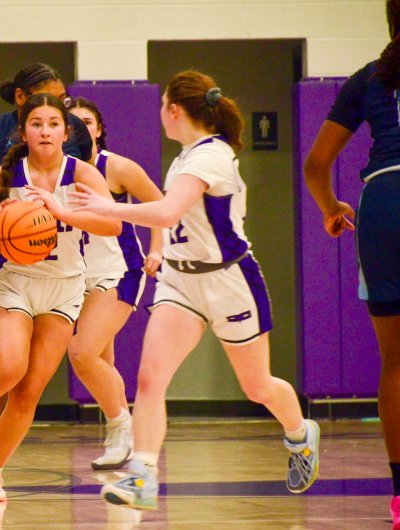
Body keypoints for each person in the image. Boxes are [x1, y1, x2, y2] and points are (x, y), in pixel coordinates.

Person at [70, 70, 321, 510]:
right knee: (150, 378)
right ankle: (143, 476)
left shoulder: (212, 155)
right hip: (181, 281)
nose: (159, 114)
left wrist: (108, 207)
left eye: (161, 106)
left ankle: (301, 433)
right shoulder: (185, 156)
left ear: (174, 110)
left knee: (257, 385)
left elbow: (167, 213)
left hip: (229, 280)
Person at [0, 93, 121, 502]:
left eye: (53, 124)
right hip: (16, 282)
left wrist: (61, 211)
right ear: (23, 132)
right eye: (36, 124)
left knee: (28, 391)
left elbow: (113, 226)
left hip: (65, 287)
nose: (45, 131)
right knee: (7, 369)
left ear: (66, 131)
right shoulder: (6, 175)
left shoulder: (83, 175)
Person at [303, 1, 400, 525]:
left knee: (396, 364)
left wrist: (331, 208)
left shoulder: (369, 77)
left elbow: (316, 164)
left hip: (382, 201)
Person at [66, 97, 164, 470]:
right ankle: (122, 435)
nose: (79, 127)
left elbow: (159, 205)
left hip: (119, 270)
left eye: (87, 121)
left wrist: (157, 248)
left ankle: (123, 429)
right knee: (100, 360)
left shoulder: (116, 166)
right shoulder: (58, 170)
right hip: (75, 276)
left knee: (82, 353)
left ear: (99, 129)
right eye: (72, 122)